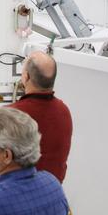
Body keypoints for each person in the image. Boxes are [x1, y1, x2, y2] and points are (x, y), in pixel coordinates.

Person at [8, 50, 73, 183]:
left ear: (26, 77)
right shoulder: (64, 110)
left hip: (22, 193)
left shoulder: (13, 113)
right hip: (52, 191)